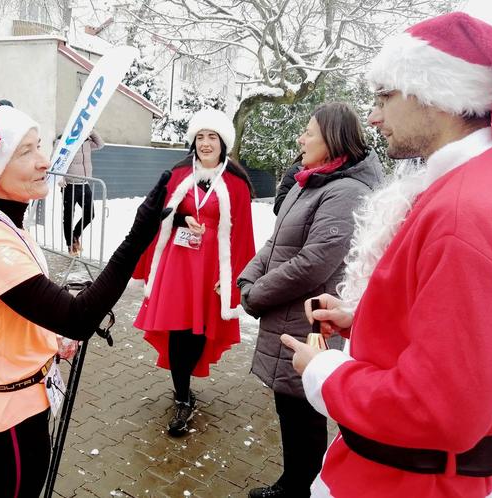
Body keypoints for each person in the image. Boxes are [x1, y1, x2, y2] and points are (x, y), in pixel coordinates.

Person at [280, 12, 492, 498]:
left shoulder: (462, 211)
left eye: (386, 96)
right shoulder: (478, 184)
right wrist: (366, 319)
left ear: (438, 95)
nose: (375, 116)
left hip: (408, 482)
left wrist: (322, 371)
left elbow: (439, 409)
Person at [0, 98, 170, 497]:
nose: (44, 160)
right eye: (26, 151)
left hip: (19, 402)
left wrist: (47, 342)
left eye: (40, 145)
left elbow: (16, 310)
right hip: (7, 422)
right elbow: (76, 317)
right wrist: (138, 237)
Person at [237, 102, 383, 498]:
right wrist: (249, 277)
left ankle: (301, 487)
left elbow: (313, 263)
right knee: (291, 408)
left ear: (332, 139)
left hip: (308, 320)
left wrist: (257, 294)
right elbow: (277, 241)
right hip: (284, 315)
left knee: (303, 412)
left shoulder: (347, 191)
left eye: (309, 133)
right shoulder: (312, 182)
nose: (300, 139)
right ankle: (294, 482)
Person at [133, 108, 256, 436]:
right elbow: (156, 213)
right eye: (200, 137)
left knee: (198, 332)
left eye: (211, 137)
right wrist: (177, 219)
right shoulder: (177, 175)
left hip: (211, 269)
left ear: (223, 143)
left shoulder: (237, 184)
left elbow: (243, 234)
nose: (205, 143)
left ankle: (186, 386)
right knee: (177, 329)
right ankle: (183, 395)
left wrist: (233, 279)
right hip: (178, 265)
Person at [59, 130, 104, 255]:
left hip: (84, 184)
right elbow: (56, 159)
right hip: (70, 185)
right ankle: (70, 245)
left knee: (90, 214)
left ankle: (75, 235)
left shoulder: (87, 142)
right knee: (68, 216)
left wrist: (92, 131)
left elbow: (100, 144)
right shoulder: (66, 141)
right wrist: (60, 177)